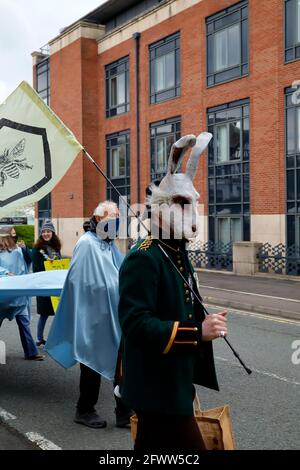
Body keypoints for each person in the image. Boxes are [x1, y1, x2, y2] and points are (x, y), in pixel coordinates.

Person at [118, 133, 228, 451]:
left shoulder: (176, 251)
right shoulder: (145, 255)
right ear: (161, 206)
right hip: (155, 387)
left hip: (174, 382)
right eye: (181, 203)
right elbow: (135, 324)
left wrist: (205, 320)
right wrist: (197, 332)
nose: (191, 212)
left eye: (192, 202)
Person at [45, 201, 132, 429]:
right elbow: (80, 282)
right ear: (98, 218)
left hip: (114, 314)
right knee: (91, 363)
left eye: (117, 218)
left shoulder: (108, 244)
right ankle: (84, 409)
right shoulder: (86, 244)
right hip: (93, 317)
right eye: (111, 217)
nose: (115, 221)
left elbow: (119, 273)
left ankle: (124, 413)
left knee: (121, 364)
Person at [0, 226, 44, 360]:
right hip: (4, 294)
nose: (15, 237)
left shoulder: (19, 250)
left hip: (19, 293)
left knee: (24, 323)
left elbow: (28, 262)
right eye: (12, 235)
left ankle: (31, 352)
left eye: (15, 234)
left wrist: (25, 250)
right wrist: (5, 272)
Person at [31, 220, 61, 346]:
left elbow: (59, 263)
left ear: (52, 233)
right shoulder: (37, 249)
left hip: (56, 284)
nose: (46, 234)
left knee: (58, 313)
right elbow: (36, 268)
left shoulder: (55, 247)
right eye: (43, 232)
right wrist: (48, 266)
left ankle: (55, 338)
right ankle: (39, 338)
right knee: (44, 313)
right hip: (43, 284)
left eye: (48, 231)